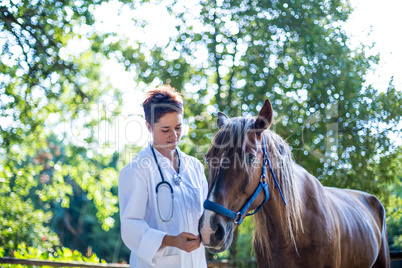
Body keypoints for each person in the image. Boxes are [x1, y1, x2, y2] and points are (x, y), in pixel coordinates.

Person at [118, 84, 208, 268]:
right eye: (165, 130)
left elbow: (206, 215)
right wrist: (171, 240)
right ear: (149, 126)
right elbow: (130, 227)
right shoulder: (136, 170)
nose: (174, 136)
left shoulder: (195, 168)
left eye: (178, 127)